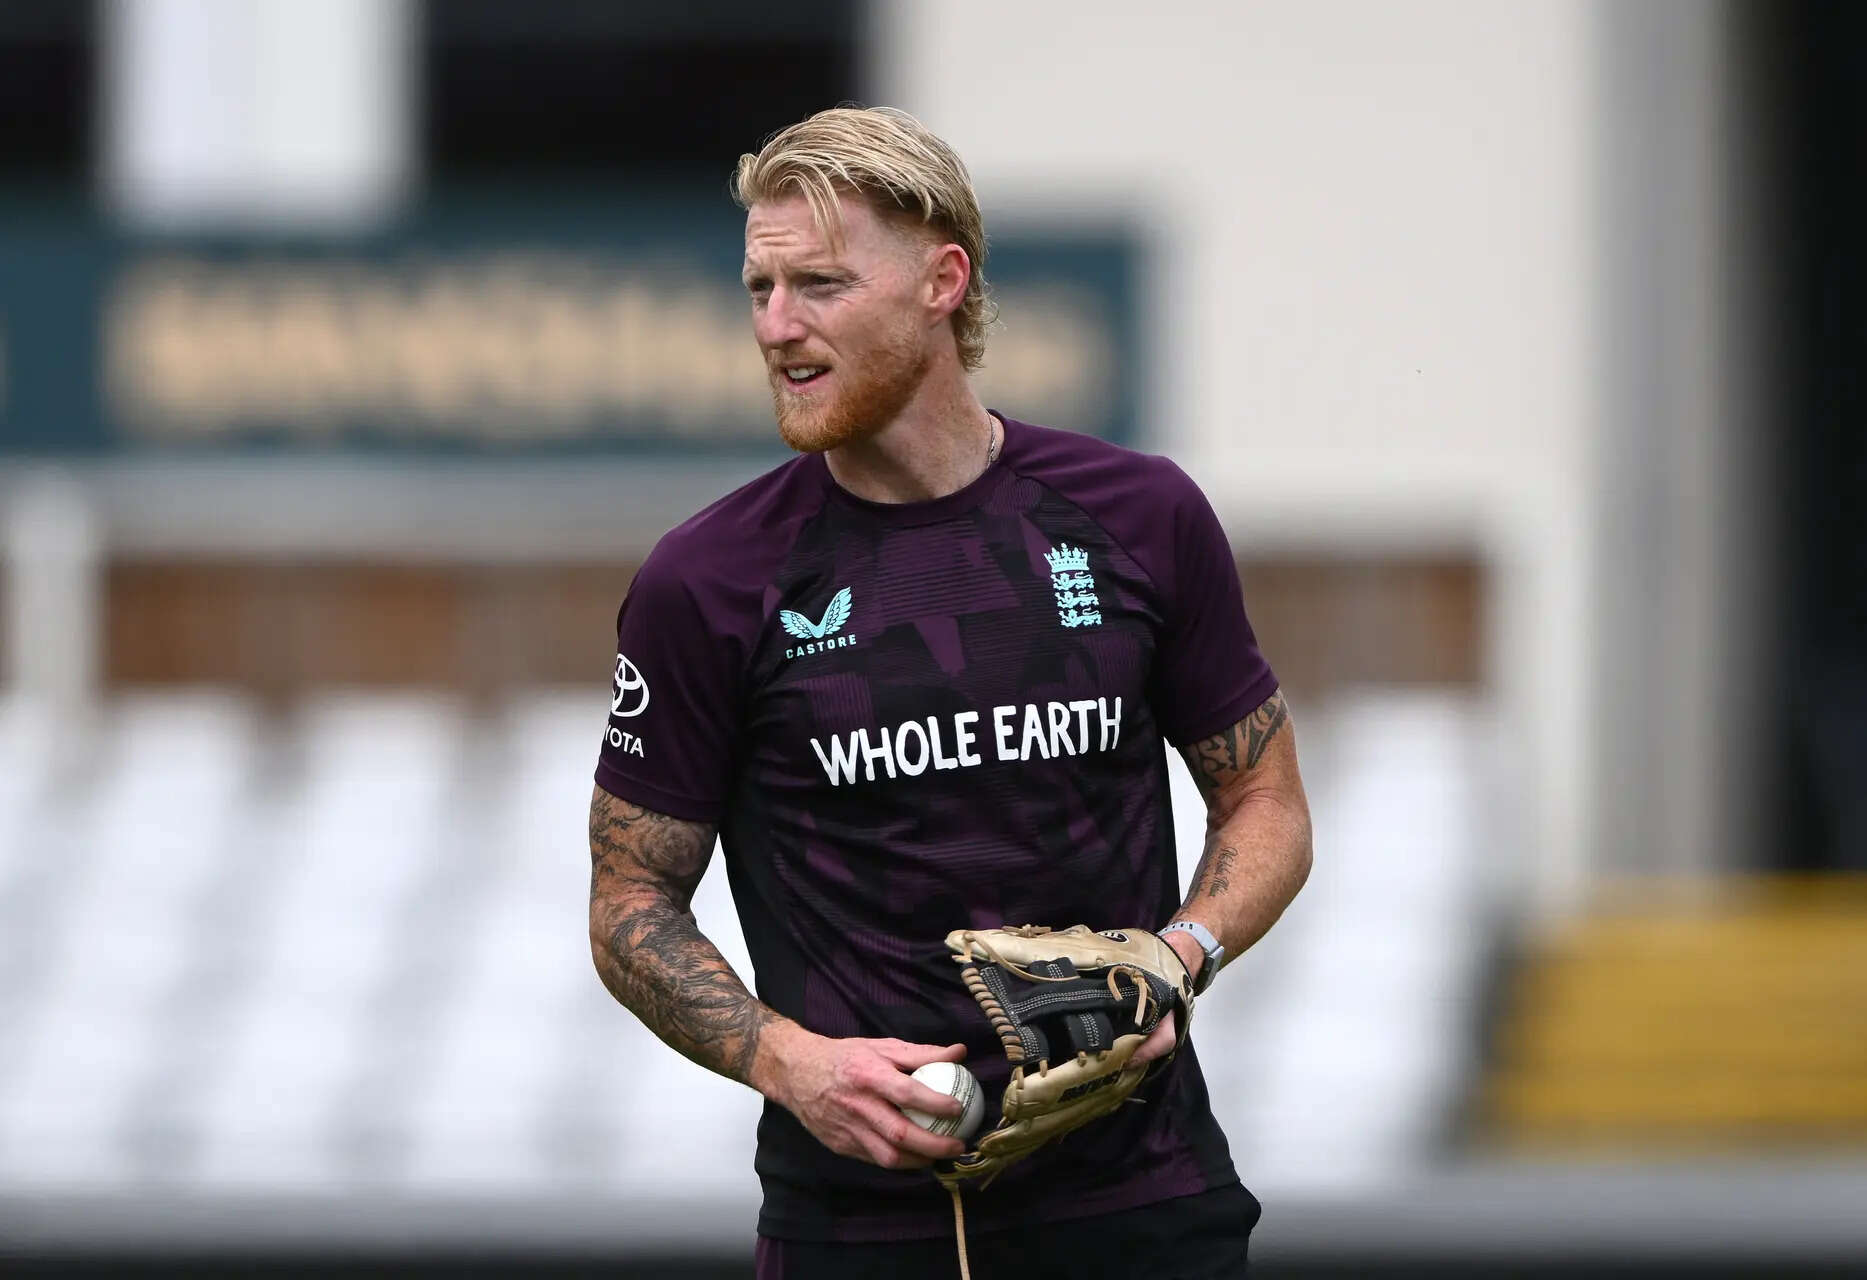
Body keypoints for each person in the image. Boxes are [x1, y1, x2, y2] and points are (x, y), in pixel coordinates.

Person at [587, 106, 1312, 1280]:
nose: (777, 325)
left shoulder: (1138, 514)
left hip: (1146, 1208)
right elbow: (628, 900)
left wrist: (1179, 952)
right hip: (858, 1233)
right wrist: (786, 1060)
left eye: (820, 284)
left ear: (942, 281)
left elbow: (1265, 800)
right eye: (760, 287)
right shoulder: (707, 580)